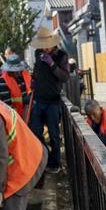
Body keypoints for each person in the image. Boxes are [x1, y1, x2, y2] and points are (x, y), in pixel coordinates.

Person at [28, 26, 69, 174]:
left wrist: (52, 64)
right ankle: (44, 158)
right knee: (35, 131)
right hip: (38, 99)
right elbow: (37, 71)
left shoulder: (61, 56)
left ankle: (55, 163)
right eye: (42, 46)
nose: (44, 49)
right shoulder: (38, 53)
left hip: (53, 101)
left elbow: (65, 77)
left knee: (54, 135)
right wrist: (34, 80)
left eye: (46, 46)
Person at [0, 52, 32, 121]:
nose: (17, 72)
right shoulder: (3, 81)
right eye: (15, 70)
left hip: (29, 110)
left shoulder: (24, 74)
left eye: (18, 69)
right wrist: (18, 120)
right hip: (15, 115)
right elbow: (7, 104)